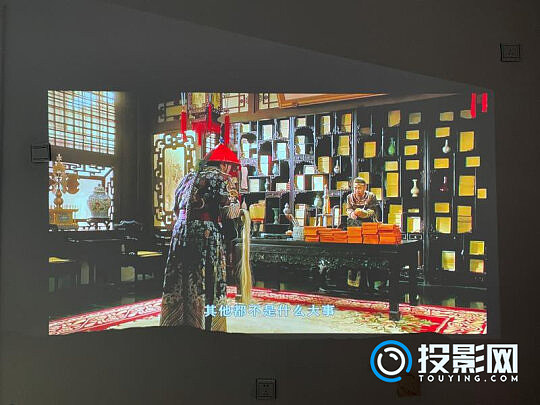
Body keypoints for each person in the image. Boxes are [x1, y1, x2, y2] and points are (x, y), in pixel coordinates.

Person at [159, 142, 242, 331]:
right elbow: (229, 212)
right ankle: (206, 325)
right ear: (223, 164)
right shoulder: (222, 178)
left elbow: (175, 208)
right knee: (206, 279)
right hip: (205, 233)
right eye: (229, 167)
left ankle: (176, 322)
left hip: (180, 231)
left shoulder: (187, 177)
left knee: (180, 279)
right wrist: (241, 211)